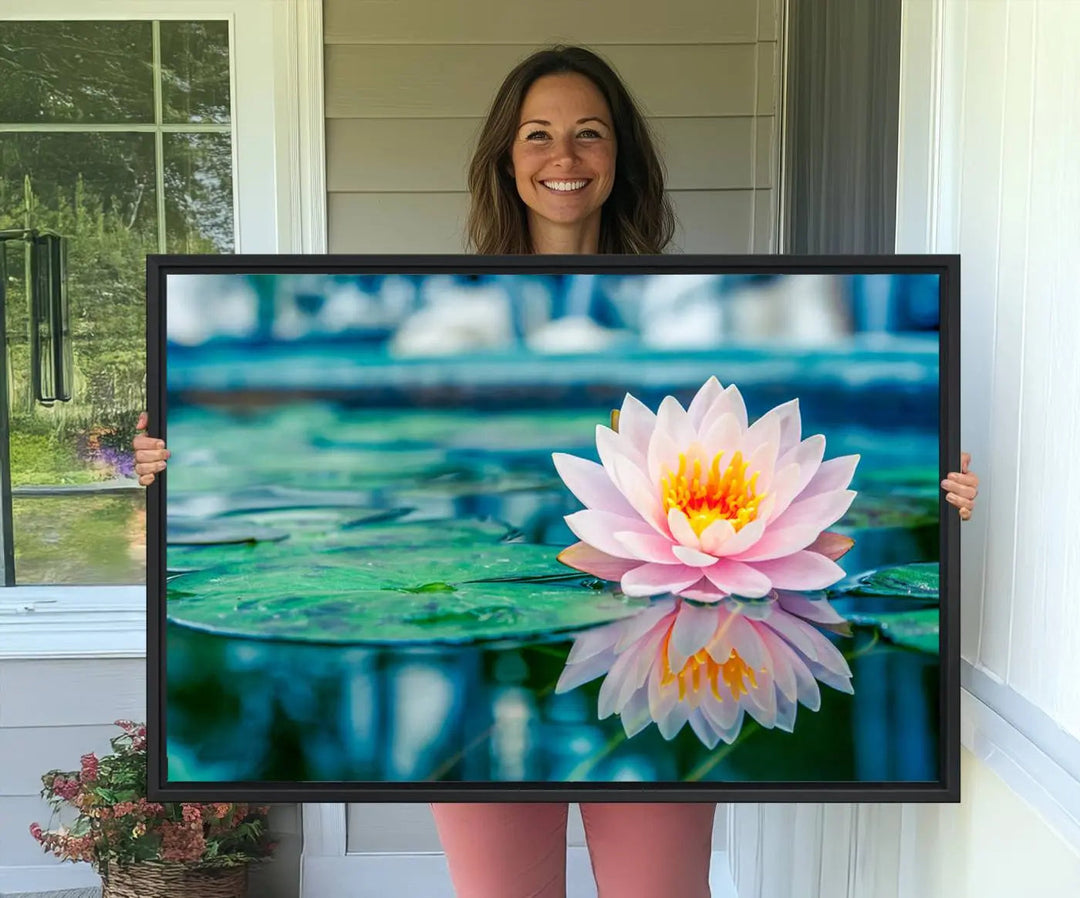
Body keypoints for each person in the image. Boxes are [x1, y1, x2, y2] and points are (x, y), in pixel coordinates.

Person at [133, 45, 980, 898]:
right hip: (513, 606)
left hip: (673, 631)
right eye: (538, 135)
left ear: (620, 158)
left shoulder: (687, 315)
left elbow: (787, 454)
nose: (563, 158)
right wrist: (167, 464)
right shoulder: (453, 308)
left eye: (589, 135)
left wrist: (945, 503)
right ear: (507, 157)